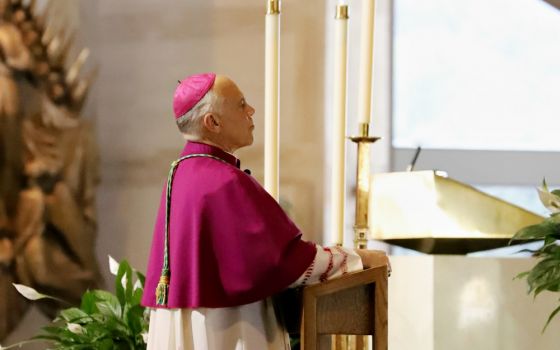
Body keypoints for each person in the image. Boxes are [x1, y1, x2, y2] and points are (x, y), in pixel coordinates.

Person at [141, 73, 390, 350]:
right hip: (227, 328)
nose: (251, 111)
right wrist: (358, 258)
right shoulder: (223, 180)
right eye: (241, 104)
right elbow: (283, 263)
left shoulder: (180, 172)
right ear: (212, 122)